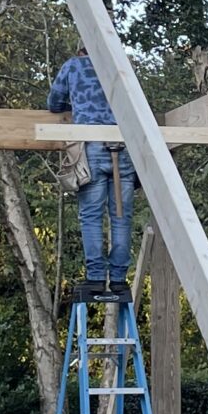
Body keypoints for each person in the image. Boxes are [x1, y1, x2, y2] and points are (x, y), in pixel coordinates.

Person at [46, 50, 135, 294]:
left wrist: (76, 102)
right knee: (121, 217)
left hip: (92, 146)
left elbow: (54, 104)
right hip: (124, 147)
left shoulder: (73, 66)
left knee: (92, 215)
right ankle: (118, 279)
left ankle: (96, 277)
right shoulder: (122, 64)